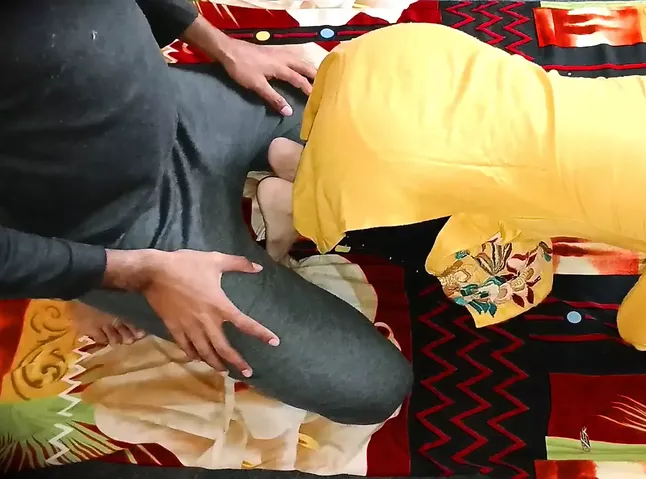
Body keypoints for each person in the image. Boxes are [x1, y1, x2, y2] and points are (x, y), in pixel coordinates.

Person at [258, 23, 646, 350]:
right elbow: (642, 329)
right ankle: (296, 206)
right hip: (395, 164)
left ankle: (306, 161)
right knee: (518, 284)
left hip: (408, 64)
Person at [0, 0, 412, 426]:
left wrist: (221, 44)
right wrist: (105, 273)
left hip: (176, 105)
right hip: (116, 229)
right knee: (374, 388)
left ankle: (287, 194)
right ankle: (92, 288)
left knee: (411, 141)